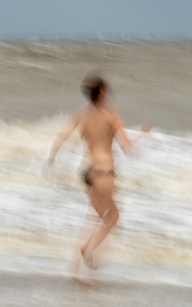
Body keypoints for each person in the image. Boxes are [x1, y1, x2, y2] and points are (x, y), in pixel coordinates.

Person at [47, 72, 147, 283]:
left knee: (112, 215)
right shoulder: (112, 116)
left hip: (87, 172)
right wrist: (144, 137)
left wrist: (52, 161)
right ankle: (81, 258)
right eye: (107, 89)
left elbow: (64, 138)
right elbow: (128, 148)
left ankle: (90, 258)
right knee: (96, 218)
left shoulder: (81, 114)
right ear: (101, 92)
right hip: (104, 172)